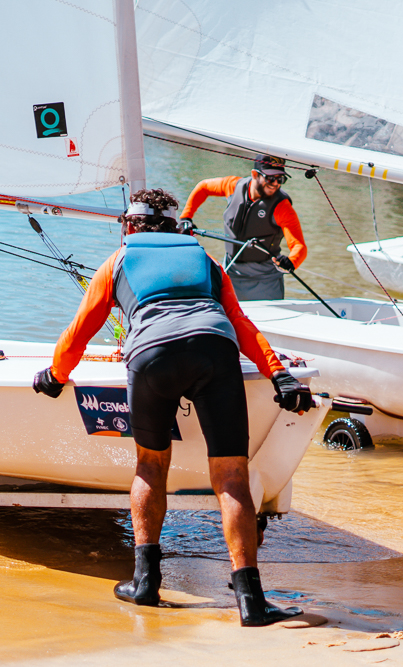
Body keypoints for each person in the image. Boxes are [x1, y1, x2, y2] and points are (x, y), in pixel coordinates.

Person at [32, 188, 313, 627]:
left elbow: (80, 330)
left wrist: (56, 375)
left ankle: (145, 583)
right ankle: (251, 602)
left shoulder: (118, 261)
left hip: (152, 357)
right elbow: (241, 325)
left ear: (129, 226)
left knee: (149, 467)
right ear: (176, 225)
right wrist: (279, 374)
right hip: (214, 350)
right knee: (232, 476)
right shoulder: (206, 261)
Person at [179, 155, 307, 301]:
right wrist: (186, 218)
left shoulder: (283, 207)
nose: (276, 184)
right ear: (255, 175)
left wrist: (291, 261)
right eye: (270, 178)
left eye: (281, 179)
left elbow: (299, 246)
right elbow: (203, 187)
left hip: (264, 281)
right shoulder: (233, 186)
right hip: (230, 272)